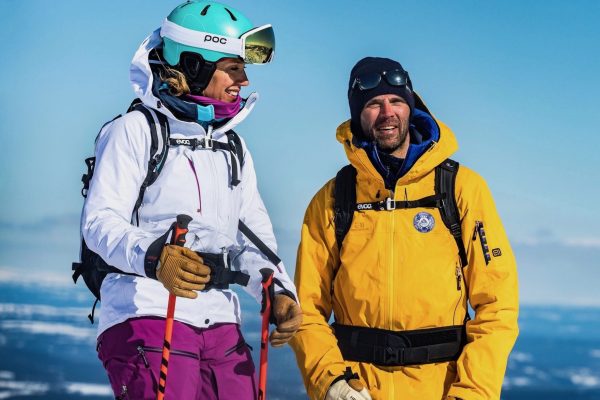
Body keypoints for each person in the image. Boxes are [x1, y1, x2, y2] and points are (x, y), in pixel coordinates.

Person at [81, 2, 302, 399]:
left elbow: (253, 238)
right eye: (233, 68)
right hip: (146, 311)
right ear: (194, 65)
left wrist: (277, 290)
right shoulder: (134, 131)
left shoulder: (231, 145)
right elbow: (100, 221)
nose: (245, 80)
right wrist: (155, 257)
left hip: (220, 319)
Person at [289, 57, 519, 400]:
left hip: (441, 388)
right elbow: (306, 307)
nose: (387, 113)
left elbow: (497, 306)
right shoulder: (335, 198)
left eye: (396, 101)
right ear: (357, 114)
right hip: (358, 386)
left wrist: (472, 393)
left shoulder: (460, 189)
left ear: (411, 106)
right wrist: (330, 382)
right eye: (373, 104)